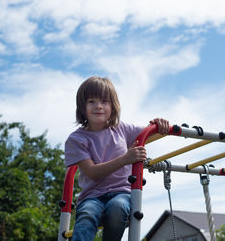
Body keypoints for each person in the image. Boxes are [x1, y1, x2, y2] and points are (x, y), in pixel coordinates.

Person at [64, 76, 169, 241]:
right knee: (87, 215)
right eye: (91, 101)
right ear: (82, 107)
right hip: (92, 195)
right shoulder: (77, 139)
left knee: (117, 208)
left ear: (113, 106)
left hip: (122, 192)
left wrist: (158, 124)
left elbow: (150, 132)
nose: (99, 106)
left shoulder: (122, 129)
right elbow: (92, 172)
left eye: (105, 101)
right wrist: (125, 159)